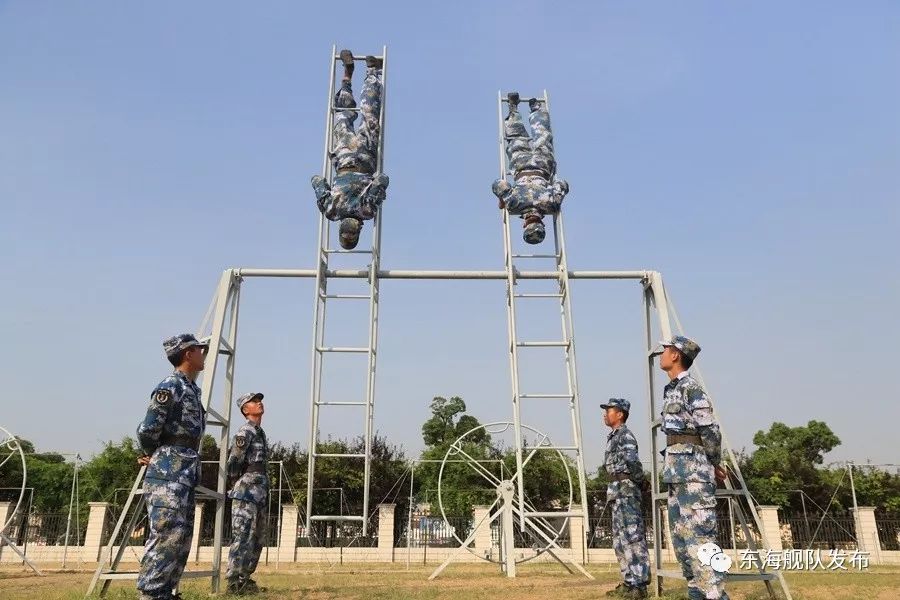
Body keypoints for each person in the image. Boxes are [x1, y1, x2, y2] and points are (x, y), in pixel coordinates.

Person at [136, 333, 208, 600]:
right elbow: (148, 429)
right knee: (166, 534)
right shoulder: (170, 386)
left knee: (180, 536)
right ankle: (152, 595)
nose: (203, 353)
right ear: (188, 353)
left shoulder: (191, 389)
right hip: (168, 471)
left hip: (185, 471)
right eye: (200, 349)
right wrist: (154, 454)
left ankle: (167, 593)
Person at [656, 336, 729, 600]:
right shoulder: (671, 390)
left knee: (701, 543)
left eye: (665, 349)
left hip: (696, 478)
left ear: (676, 355)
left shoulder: (691, 389)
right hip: (677, 478)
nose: (661, 353)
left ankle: (714, 596)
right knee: (683, 546)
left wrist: (714, 462)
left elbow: (710, 429)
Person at [311, 49, 389, 250]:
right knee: (344, 116)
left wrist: (372, 187)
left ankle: (369, 72)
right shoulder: (331, 211)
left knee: (367, 113)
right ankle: (350, 75)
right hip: (347, 156)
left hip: (362, 158)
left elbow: (383, 179)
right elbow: (316, 180)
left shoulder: (366, 210)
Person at [492, 91, 569, 244]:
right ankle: (513, 109)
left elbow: (562, 184)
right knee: (516, 136)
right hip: (521, 164)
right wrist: (502, 201)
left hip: (542, 165)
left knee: (542, 136)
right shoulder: (514, 203)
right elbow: (498, 184)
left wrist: (552, 191)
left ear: (542, 223)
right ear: (524, 224)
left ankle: (536, 109)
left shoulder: (551, 203)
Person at [601, 398, 650, 599]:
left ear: (620, 414)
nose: (605, 414)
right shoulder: (613, 437)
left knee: (633, 537)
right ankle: (629, 582)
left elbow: (632, 462)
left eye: (609, 410)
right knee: (620, 541)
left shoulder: (625, 436)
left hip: (627, 491)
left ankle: (640, 585)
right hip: (616, 492)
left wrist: (640, 482)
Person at [225, 392, 270, 595]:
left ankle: (245, 579)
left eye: (259, 400)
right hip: (246, 492)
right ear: (245, 410)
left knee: (257, 537)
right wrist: (236, 483)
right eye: (253, 401)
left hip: (259, 491)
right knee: (243, 536)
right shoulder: (245, 432)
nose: (259, 403)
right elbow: (234, 461)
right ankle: (233, 582)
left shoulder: (259, 432)